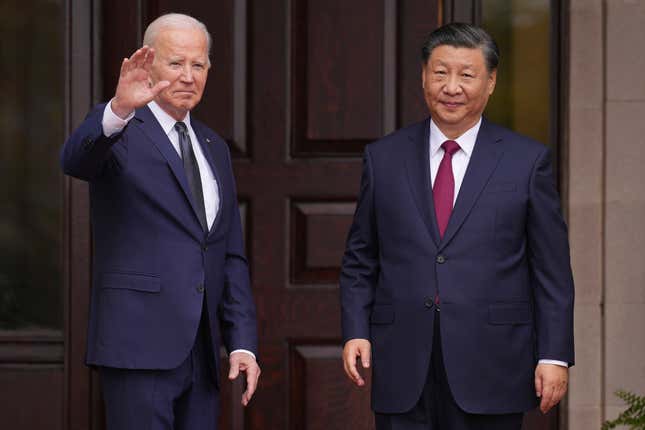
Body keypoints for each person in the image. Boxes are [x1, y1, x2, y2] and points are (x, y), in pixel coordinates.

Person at [340, 22, 574, 430]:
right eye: (440, 72)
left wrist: (553, 355)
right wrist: (355, 330)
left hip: (493, 363)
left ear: (490, 82)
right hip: (404, 363)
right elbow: (361, 258)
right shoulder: (384, 158)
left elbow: (550, 270)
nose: (452, 87)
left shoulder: (526, 161)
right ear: (423, 77)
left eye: (466, 75)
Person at [61, 13, 259, 430]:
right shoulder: (121, 129)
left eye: (198, 65)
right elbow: (76, 159)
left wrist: (242, 342)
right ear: (149, 64)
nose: (188, 76)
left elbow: (229, 254)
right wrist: (118, 110)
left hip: (203, 354)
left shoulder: (214, 147)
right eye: (175, 63)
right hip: (139, 348)